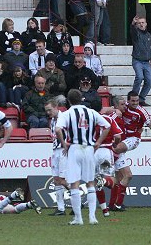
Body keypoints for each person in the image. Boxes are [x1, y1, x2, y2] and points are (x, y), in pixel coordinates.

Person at [55, 89, 111, 225]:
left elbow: (58, 129)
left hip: (74, 148)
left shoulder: (67, 113)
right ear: (82, 99)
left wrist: (64, 144)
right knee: (90, 182)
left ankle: (78, 218)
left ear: (68, 101)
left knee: (74, 183)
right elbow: (107, 126)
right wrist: (98, 142)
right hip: (89, 149)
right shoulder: (91, 112)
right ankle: (92, 217)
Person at [111, 91, 151, 211]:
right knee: (121, 176)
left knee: (116, 148)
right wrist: (114, 110)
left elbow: (150, 125)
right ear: (128, 101)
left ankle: (106, 159)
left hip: (133, 138)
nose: (135, 103)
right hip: (122, 138)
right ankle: (115, 203)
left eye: (137, 101)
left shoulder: (142, 111)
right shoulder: (122, 107)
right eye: (133, 101)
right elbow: (109, 109)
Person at [91, 100, 122, 217]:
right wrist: (114, 144)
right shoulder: (108, 119)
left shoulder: (89, 120)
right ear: (101, 108)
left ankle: (105, 210)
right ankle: (103, 181)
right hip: (105, 152)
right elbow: (118, 136)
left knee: (96, 181)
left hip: (92, 153)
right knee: (110, 180)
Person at [45, 98, 69, 216]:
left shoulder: (64, 118)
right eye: (47, 111)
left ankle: (77, 198)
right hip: (55, 151)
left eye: (50, 110)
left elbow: (72, 133)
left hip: (63, 151)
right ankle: (60, 208)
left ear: (56, 107)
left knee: (63, 180)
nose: (48, 113)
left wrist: (66, 146)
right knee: (56, 180)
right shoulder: (53, 121)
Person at [130, 15, 151, 106]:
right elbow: (132, 31)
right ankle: (133, 97)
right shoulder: (136, 33)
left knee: (149, 80)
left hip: (146, 61)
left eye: (143, 22)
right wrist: (133, 24)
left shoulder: (148, 35)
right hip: (137, 60)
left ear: (146, 24)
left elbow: (148, 47)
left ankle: (141, 98)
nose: (141, 24)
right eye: (139, 23)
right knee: (139, 77)